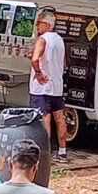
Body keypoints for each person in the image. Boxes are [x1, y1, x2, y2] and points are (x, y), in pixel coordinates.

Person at [28, 11, 70, 162]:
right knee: (59, 118)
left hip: (41, 87)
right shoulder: (59, 40)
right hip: (56, 84)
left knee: (44, 118)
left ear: (46, 24)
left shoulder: (42, 39)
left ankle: (45, 152)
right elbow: (64, 62)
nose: (36, 26)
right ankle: (63, 151)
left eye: (39, 23)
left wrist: (38, 72)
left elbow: (35, 59)